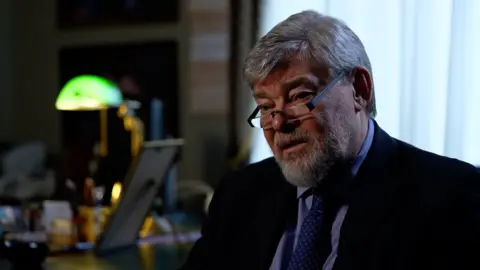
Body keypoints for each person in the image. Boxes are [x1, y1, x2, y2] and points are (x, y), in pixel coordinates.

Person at [180, 10, 480, 270]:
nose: (279, 123)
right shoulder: (239, 195)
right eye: (267, 107)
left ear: (360, 90)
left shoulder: (451, 197)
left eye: (299, 96)